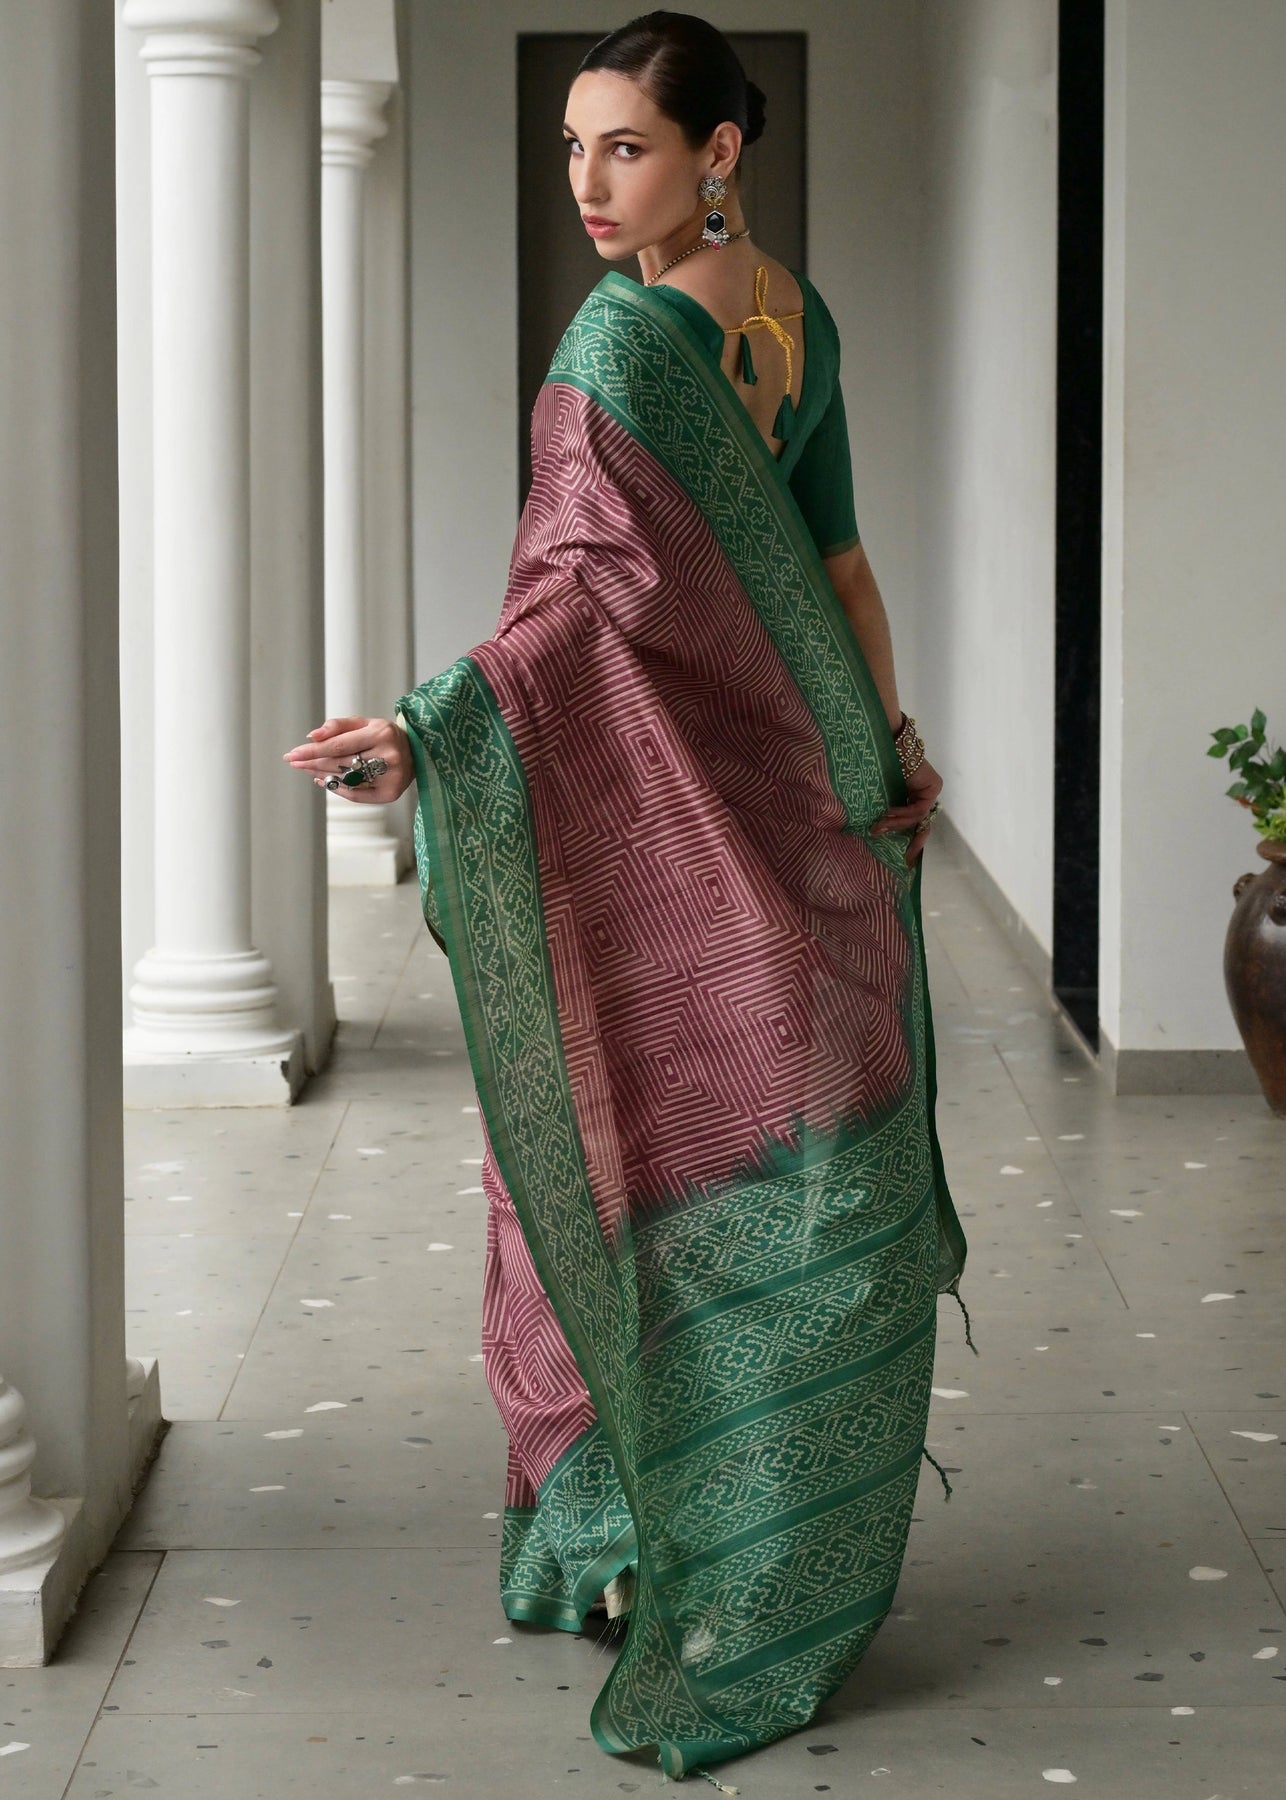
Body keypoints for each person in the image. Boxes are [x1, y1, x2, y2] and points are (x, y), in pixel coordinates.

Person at [284, 10, 971, 1782]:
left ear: (716, 152)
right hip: (795, 795)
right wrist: (882, 744)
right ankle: (726, 1550)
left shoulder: (621, 342)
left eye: (629, 148)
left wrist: (430, 730)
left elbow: (585, 608)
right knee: (780, 1166)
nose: (590, 184)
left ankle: (648, 1544)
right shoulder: (795, 315)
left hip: (718, 811)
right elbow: (833, 575)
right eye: (574, 148)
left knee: (628, 1148)